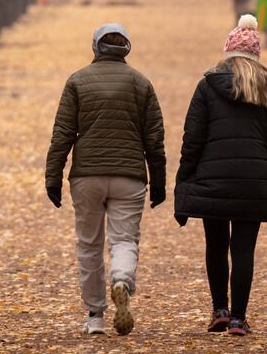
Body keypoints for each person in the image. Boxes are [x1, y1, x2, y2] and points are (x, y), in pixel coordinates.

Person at [174, 14, 267, 336]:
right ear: (256, 56)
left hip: (212, 181)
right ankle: (238, 319)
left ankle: (219, 309)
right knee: (243, 249)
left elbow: (192, 139)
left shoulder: (207, 86)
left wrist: (185, 181)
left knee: (216, 246)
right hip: (254, 183)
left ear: (228, 51)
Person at [45, 23, 167, 336]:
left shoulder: (77, 81)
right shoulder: (141, 83)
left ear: (96, 47)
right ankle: (122, 279)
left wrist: (53, 177)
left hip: (87, 175)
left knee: (89, 244)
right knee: (124, 240)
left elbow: (63, 134)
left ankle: (95, 315)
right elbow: (154, 138)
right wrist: (159, 181)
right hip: (129, 176)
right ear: (126, 48)